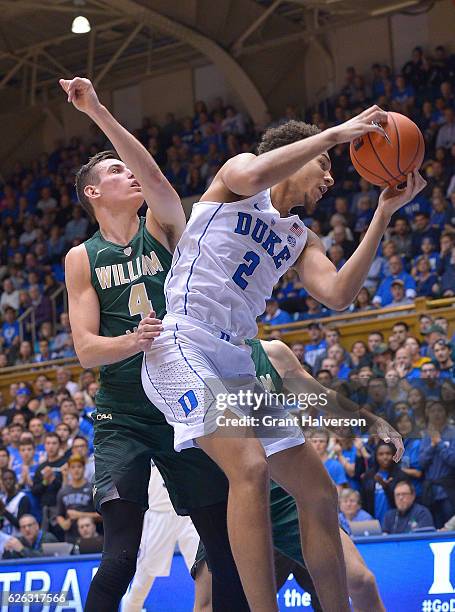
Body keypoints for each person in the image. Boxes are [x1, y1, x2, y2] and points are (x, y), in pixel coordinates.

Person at [142, 106, 416, 610]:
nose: (331, 178)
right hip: (182, 343)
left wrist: (383, 215)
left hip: (237, 361)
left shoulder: (299, 237)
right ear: (297, 156)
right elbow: (253, 171)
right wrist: (335, 134)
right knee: (250, 467)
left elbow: (337, 294)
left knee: (319, 494)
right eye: (325, 166)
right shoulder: (238, 180)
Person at [59, 77, 247, 612]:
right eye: (115, 171)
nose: (129, 174)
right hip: (123, 414)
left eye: (128, 167)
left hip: (183, 402)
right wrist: (131, 340)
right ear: (93, 193)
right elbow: (86, 350)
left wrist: (96, 111)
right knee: (121, 553)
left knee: (222, 546)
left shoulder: (163, 226)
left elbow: (153, 174)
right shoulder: (81, 257)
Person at [193, 338, 386, 612]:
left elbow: (320, 396)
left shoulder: (272, 353)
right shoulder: (191, 354)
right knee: (208, 603)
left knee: (361, 580)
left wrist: (370, 421)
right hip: (234, 498)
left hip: (288, 494)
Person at [122, 463, 200, 612]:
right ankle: (131, 608)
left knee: (202, 569)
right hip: (158, 513)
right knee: (143, 578)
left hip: (188, 510)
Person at [56, 455, 99, 544]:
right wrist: (63, 523)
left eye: (79, 466)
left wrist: (80, 515)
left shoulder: (92, 488)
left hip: (91, 538)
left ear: (84, 468)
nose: (76, 470)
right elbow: (59, 514)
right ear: (69, 470)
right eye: (73, 467)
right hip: (71, 538)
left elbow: (101, 516)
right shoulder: (63, 491)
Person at [0, 470, 31, 536]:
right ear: (2, 482)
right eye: (5, 479)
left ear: (16, 480)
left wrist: (4, 510)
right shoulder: (3, 499)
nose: (8, 481)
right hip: (4, 537)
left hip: (18, 538)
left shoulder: (23, 498)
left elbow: (20, 524)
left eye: (10, 479)